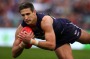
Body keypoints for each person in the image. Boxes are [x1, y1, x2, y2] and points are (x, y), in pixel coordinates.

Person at [12, 2, 90, 59]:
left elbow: (51, 45)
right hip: (58, 40)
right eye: (23, 15)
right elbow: (14, 54)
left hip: (66, 29)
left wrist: (31, 41)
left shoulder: (45, 21)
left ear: (34, 12)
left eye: (28, 14)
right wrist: (22, 44)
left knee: (88, 40)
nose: (25, 18)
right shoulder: (21, 30)